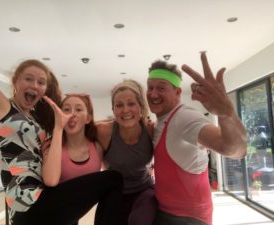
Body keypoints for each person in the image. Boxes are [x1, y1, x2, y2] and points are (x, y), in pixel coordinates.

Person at [0, 57, 122, 225]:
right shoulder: (0, 108)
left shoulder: (38, 119)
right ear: (15, 81)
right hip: (28, 205)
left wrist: (126, 121)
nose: (35, 85)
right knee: (113, 179)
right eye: (28, 78)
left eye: (41, 82)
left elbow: (78, 125)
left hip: (45, 199)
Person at [146, 52, 247, 225]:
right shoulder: (160, 122)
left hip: (187, 219)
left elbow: (235, 150)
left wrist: (226, 113)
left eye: (161, 88)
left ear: (177, 92)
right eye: (150, 87)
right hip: (165, 211)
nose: (153, 94)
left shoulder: (184, 118)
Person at [42, 93, 123, 225]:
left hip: (76, 212)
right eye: (66, 109)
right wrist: (58, 128)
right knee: (114, 178)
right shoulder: (52, 145)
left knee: (115, 178)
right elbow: (50, 181)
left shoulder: (97, 147)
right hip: (52, 212)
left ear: (88, 118)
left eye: (79, 109)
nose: (71, 114)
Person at [96, 79, 157, 225]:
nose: (125, 110)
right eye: (119, 105)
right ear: (113, 110)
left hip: (144, 190)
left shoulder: (150, 130)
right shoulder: (103, 131)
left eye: (131, 104)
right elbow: (76, 132)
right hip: (113, 192)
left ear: (141, 107)